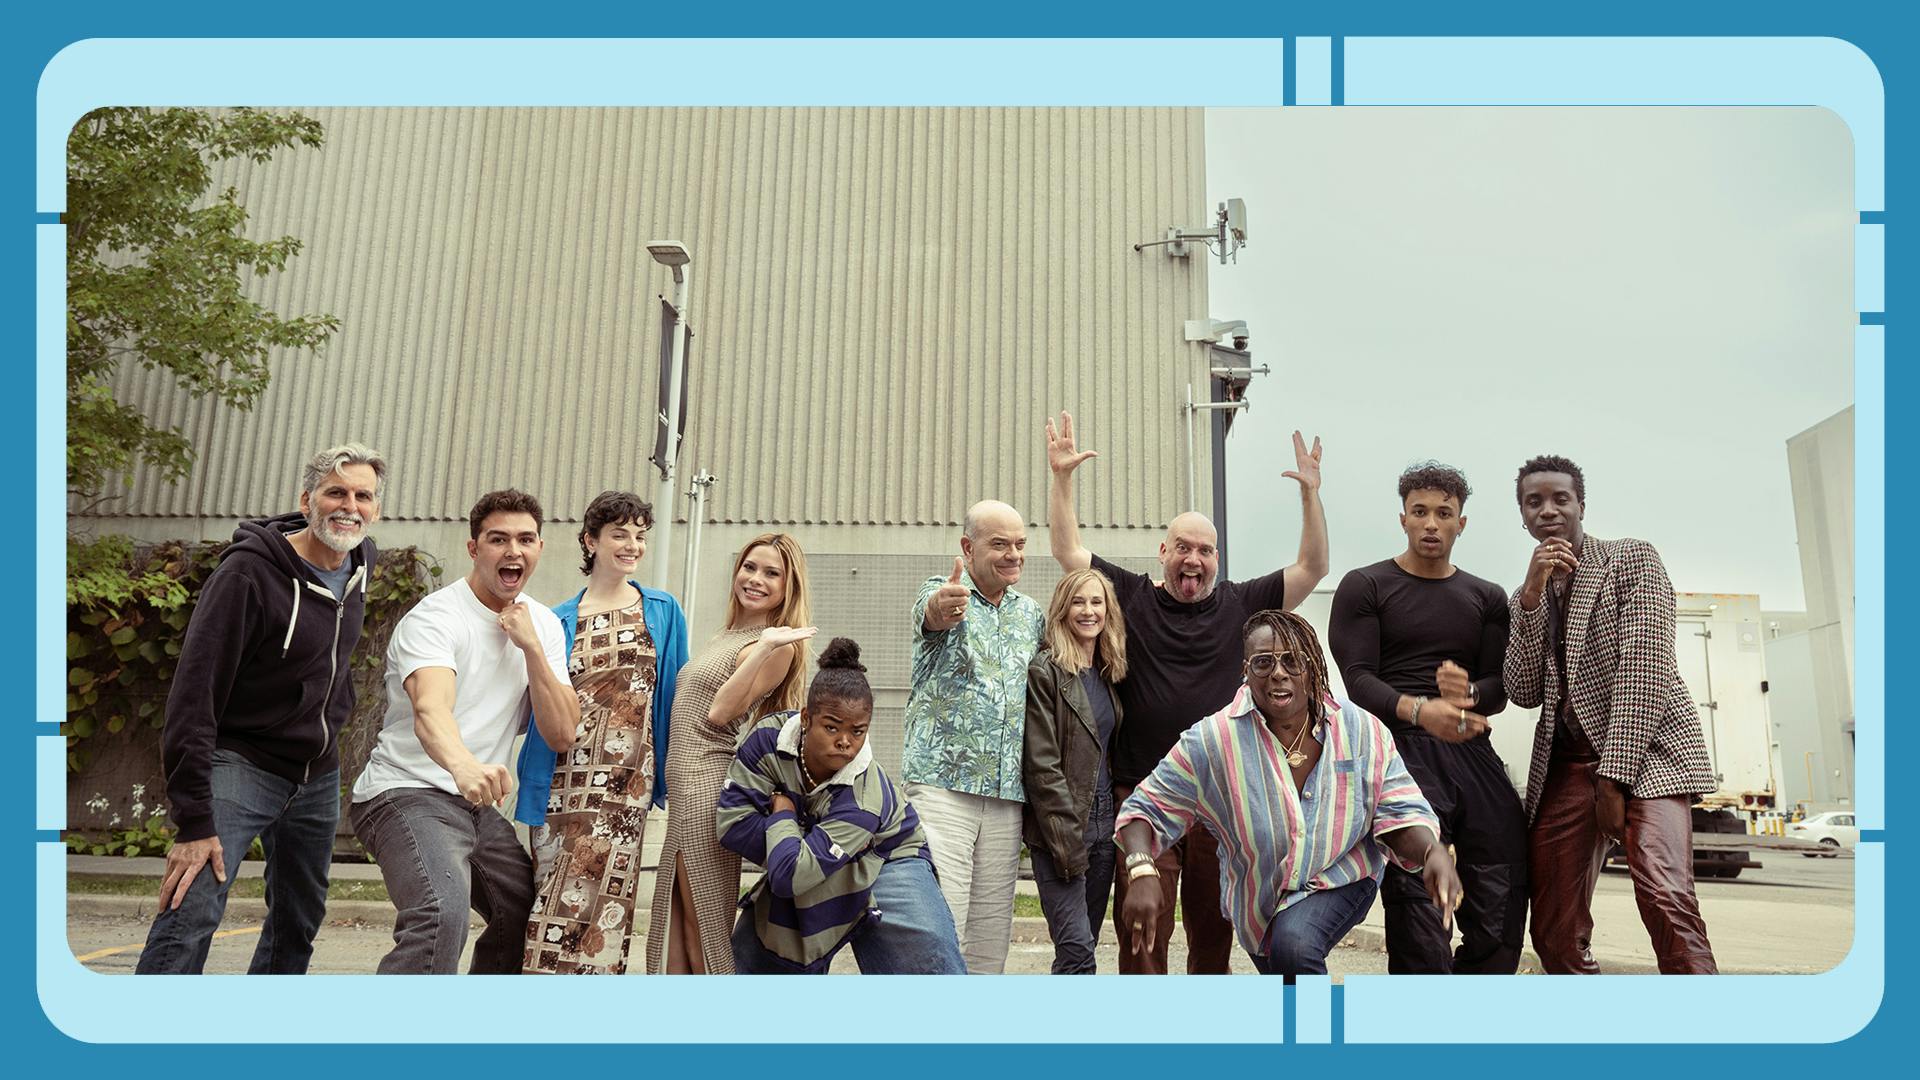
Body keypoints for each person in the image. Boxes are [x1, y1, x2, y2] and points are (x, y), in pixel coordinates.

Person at [1046, 410, 1329, 974]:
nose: (1192, 559)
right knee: (1141, 931)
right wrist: (1061, 479)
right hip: (1145, 796)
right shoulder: (1129, 594)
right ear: (1163, 552)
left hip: (1220, 799)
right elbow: (1068, 552)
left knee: (1212, 934)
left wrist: (1310, 496)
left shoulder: (1244, 605)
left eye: (1204, 550)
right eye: (1183, 547)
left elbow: (1313, 566)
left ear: (1216, 559)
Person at [136, 444, 386, 975]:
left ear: (376, 509)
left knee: (297, 922)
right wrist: (193, 820)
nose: (349, 505)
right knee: (193, 902)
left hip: (316, 773)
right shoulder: (249, 574)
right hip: (242, 761)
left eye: (362, 495)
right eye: (335, 492)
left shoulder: (362, 565)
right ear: (307, 500)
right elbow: (193, 695)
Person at [1115, 610, 1460, 980]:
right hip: (1260, 899)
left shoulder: (1361, 729)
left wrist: (1431, 850)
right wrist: (1140, 867)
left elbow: (1398, 810)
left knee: (1294, 947)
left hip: (1342, 874)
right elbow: (1145, 808)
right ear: (1245, 670)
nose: (1278, 672)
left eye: (1292, 660)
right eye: (1263, 662)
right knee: (1286, 971)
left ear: (1312, 667)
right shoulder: (1213, 741)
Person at [349, 489, 580, 974]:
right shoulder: (436, 619)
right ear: (474, 549)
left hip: (473, 806)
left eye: (525, 539)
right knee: (438, 913)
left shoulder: (541, 624)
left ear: (539, 548)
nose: (512, 551)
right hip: (404, 792)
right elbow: (431, 709)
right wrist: (464, 766)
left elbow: (561, 732)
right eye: (498, 540)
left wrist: (533, 649)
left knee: (523, 913)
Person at [1503, 454, 1718, 974]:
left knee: (1665, 896)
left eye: (1560, 498)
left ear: (1581, 505)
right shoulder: (1528, 594)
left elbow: (1644, 669)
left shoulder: (1630, 560)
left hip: (1649, 754)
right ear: (1523, 516)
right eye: (1535, 502)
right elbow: (1522, 690)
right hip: (1567, 765)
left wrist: (1611, 780)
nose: (1548, 510)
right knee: (1553, 927)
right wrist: (1530, 600)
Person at [1327, 461, 1529, 974]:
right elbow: (1358, 679)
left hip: (1472, 753)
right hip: (1400, 756)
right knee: (1419, 915)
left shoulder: (1486, 597)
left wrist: (1468, 696)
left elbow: (1500, 687)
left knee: (1501, 904)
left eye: (1444, 513)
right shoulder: (1366, 585)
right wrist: (1421, 710)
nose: (1431, 524)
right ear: (1403, 519)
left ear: (1462, 523)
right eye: (1420, 512)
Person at [514, 490, 689, 974]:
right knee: (550, 905)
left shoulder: (662, 609)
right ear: (590, 541)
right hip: (561, 782)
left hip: (624, 789)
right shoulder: (556, 619)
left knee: (602, 918)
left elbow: (674, 696)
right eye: (620, 534)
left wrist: (675, 779)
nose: (632, 545)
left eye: (640, 536)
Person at [717, 638, 966, 974]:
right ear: (806, 718)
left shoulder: (865, 795)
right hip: (806, 857)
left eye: (858, 731)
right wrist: (803, 850)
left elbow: (791, 871)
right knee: (763, 953)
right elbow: (733, 825)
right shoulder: (767, 740)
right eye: (831, 727)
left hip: (886, 858)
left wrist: (785, 815)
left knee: (928, 962)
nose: (845, 741)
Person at [645, 534, 813, 974]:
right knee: (678, 926)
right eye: (749, 567)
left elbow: (721, 712)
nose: (755, 579)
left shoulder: (778, 646)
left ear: (788, 585)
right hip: (684, 788)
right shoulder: (731, 634)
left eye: (771, 573)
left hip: (705, 786)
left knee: (704, 927)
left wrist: (764, 646)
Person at [901, 500, 1045, 974]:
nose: (1013, 554)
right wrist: (942, 607)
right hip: (943, 788)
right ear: (968, 547)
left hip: (1007, 794)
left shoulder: (1031, 614)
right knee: (939, 924)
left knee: (989, 939)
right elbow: (932, 612)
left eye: (1020, 544)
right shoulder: (944, 592)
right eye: (999, 544)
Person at [1021, 568, 1128, 974]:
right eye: (1079, 602)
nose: (1088, 611)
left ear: (1108, 611)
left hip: (1104, 827)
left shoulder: (1109, 673)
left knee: (1084, 947)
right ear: (1063, 609)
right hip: (1060, 831)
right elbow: (1042, 767)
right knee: (1077, 953)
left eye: (1097, 602)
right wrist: (1066, 841)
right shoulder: (1045, 671)